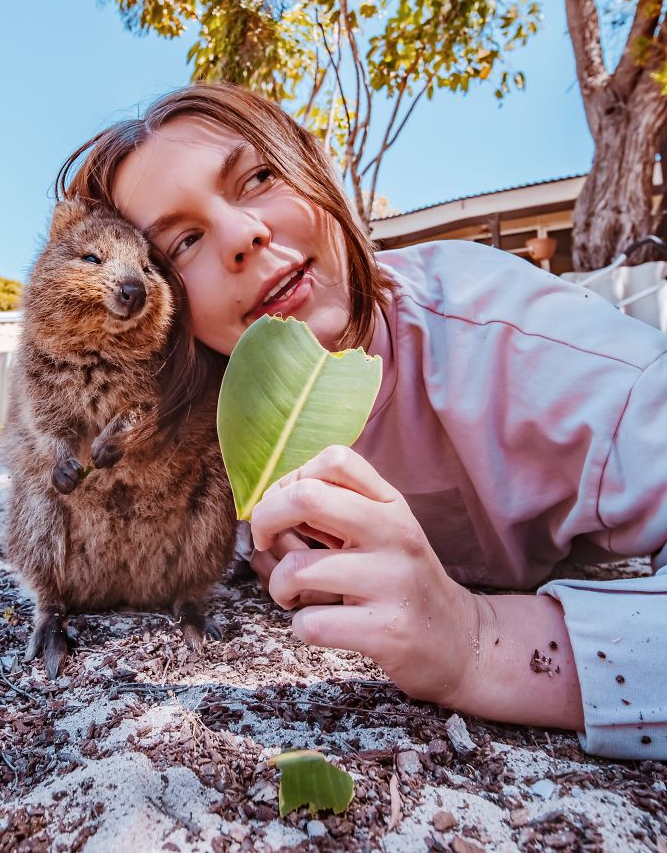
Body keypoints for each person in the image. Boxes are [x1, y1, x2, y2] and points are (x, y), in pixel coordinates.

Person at [56, 81, 667, 761]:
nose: (242, 235)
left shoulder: (528, 350)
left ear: (315, 171)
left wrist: (473, 640)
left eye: (258, 178)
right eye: (183, 244)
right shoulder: (199, 419)